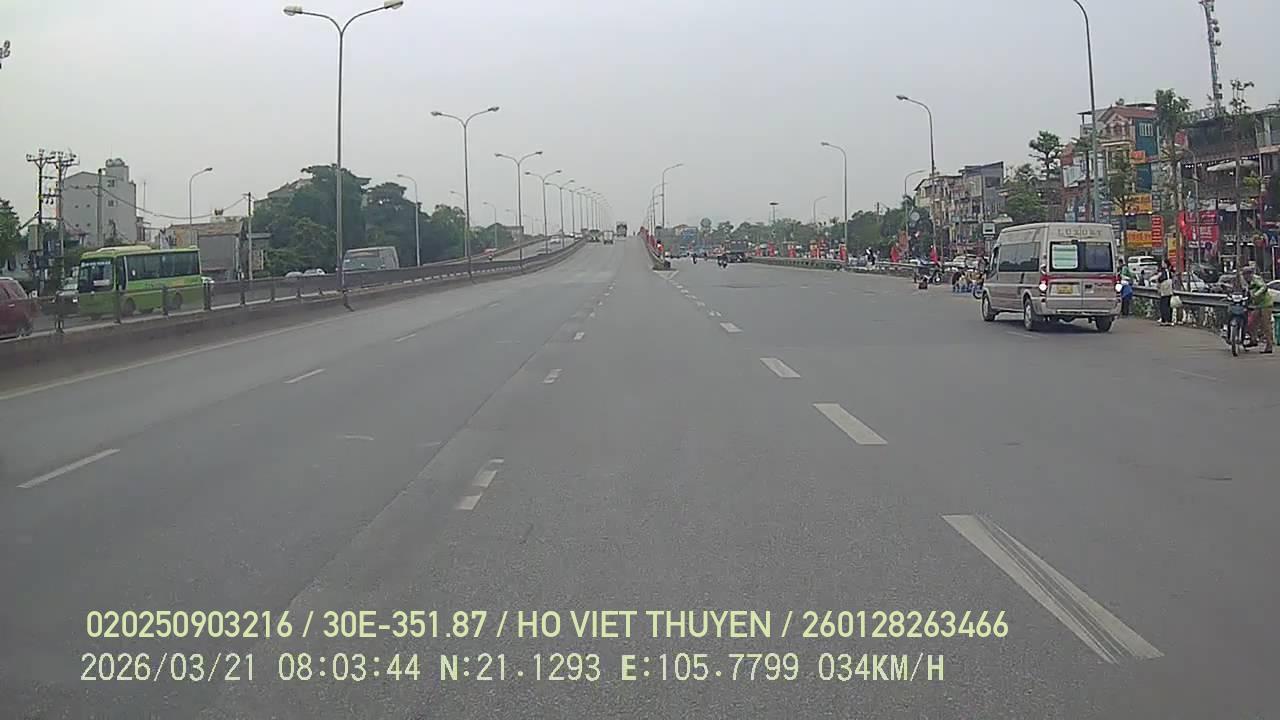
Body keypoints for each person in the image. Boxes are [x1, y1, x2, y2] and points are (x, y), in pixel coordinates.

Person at [1243, 266, 1274, 353]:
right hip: (1258, 305)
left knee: (1266, 325)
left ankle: (1269, 346)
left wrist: (1256, 294)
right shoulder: (1247, 282)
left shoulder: (1256, 279)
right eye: (1244, 274)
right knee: (1251, 323)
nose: (1246, 276)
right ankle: (1253, 340)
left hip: (1266, 304)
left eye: (1247, 274)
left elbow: (1264, 287)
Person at [1155, 260, 1174, 326]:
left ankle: (1164, 320)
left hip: (1165, 290)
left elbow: (1160, 279)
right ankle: (1169, 320)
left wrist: (1158, 283)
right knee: (1168, 305)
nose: (1162, 264)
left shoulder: (1163, 272)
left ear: (1166, 264)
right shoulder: (1170, 272)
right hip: (1169, 290)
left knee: (1163, 305)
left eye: (1163, 263)